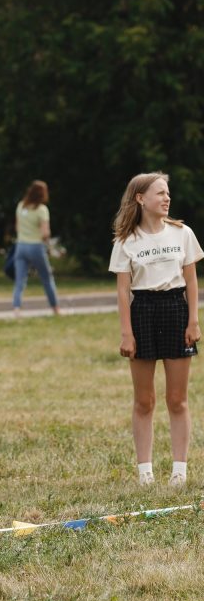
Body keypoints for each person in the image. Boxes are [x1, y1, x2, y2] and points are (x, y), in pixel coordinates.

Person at [109, 171, 203, 487]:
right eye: (160, 193)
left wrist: (193, 320)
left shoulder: (183, 234)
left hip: (176, 310)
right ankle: (145, 472)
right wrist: (127, 333)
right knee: (144, 400)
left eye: (167, 193)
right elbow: (123, 291)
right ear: (140, 198)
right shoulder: (126, 241)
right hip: (143, 312)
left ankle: (179, 470)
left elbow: (191, 281)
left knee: (177, 399)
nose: (166, 198)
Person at [12, 180, 61, 316]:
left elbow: (17, 227)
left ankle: (16, 309)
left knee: (20, 280)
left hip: (20, 246)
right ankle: (55, 308)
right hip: (35, 247)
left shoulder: (21, 206)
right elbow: (45, 233)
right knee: (46, 278)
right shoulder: (42, 210)